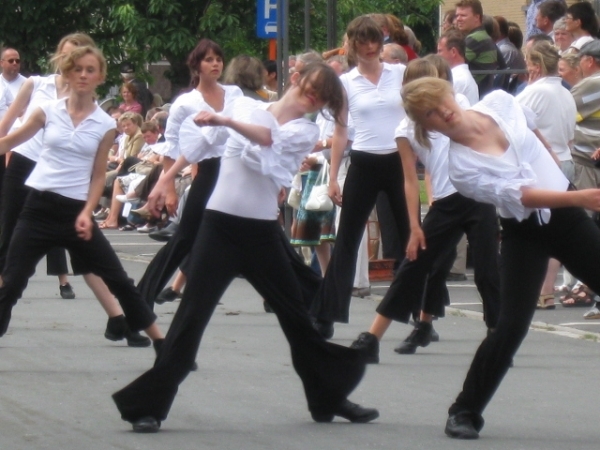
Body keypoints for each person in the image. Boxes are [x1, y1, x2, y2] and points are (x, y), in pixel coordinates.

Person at [112, 62, 378, 433]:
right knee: (192, 316)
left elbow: (265, 142)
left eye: (323, 98)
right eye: (311, 87)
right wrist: (166, 180)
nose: (313, 97)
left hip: (262, 235)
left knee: (296, 319)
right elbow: (202, 146)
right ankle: (149, 405)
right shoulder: (244, 106)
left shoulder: (301, 131)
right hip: (218, 228)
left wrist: (226, 123)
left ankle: (327, 397)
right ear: (296, 79)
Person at [401, 76, 600, 440]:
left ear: (452, 93)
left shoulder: (499, 103)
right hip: (525, 233)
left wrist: (560, 173)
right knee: (509, 326)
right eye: (430, 112)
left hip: (568, 218)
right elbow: (522, 196)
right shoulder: (461, 169)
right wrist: (580, 198)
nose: (443, 111)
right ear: (425, 126)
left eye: (441, 100)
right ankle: (463, 411)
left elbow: (533, 133)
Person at [0, 46, 163, 348]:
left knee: (118, 279)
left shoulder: (104, 124)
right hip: (38, 206)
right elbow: (10, 139)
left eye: (90, 70)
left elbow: (99, 175)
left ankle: (163, 344)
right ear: (67, 72)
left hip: (76, 212)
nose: (83, 75)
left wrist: (88, 211)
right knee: (11, 282)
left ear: (101, 76)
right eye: (77, 68)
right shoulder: (47, 109)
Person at [350, 58, 500, 362]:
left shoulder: (457, 103)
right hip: (445, 202)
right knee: (413, 266)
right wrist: (414, 226)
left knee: (487, 272)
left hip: (477, 193)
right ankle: (372, 338)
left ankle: (498, 338)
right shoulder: (405, 129)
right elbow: (409, 179)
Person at [309, 15, 409, 338]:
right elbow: (341, 131)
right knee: (347, 240)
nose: (369, 48)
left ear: (382, 43)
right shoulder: (346, 83)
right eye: (362, 42)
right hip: (364, 162)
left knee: (412, 236)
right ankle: (328, 313)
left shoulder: (400, 73)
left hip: (397, 161)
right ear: (351, 44)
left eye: (374, 41)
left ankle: (424, 313)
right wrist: (334, 177)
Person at [134, 39, 244, 310]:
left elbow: (248, 135)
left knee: (260, 235)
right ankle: (142, 298)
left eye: (218, 58)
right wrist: (169, 188)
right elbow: (172, 147)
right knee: (185, 238)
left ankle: (308, 299)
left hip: (238, 170)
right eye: (209, 59)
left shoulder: (235, 94)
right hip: (208, 171)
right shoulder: (185, 103)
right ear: (197, 65)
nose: (216, 63)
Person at [516, 40, 577, 309]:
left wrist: (528, 86)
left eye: (528, 63)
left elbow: (508, 119)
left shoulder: (535, 92)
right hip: (565, 160)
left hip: (544, 166)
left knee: (534, 230)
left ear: (537, 66)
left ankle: (540, 290)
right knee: (557, 230)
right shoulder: (566, 92)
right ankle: (547, 289)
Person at [454, 0, 499, 97]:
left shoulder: (475, 38)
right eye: (457, 15)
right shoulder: (484, 36)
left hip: (473, 96)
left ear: (477, 17)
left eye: (463, 15)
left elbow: (452, 64)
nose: (458, 19)